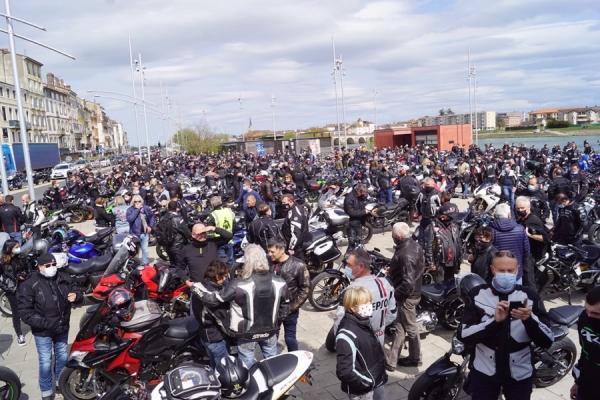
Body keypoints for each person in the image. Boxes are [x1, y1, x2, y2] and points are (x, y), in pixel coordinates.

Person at [457, 251, 553, 400]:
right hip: (485, 371)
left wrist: (529, 319)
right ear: (492, 269)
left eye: (510, 270)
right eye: (501, 270)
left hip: (520, 372)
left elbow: (547, 340)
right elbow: (464, 335)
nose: (506, 274)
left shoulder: (530, 296)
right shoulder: (477, 294)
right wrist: (494, 322)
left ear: (517, 269)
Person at [191, 244, 289, 369]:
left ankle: (249, 386)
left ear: (248, 262)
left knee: (246, 367)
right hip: (270, 331)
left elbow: (213, 300)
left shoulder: (238, 284)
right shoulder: (280, 281)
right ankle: (275, 385)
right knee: (273, 364)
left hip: (247, 334)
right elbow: (286, 306)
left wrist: (195, 287)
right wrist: (277, 322)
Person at [18, 252, 83, 400]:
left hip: (62, 327)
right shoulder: (30, 284)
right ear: (40, 267)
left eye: (54, 265)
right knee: (45, 361)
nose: (52, 268)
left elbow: (77, 291)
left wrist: (76, 296)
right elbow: (24, 311)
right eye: (48, 265)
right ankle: (46, 390)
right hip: (43, 331)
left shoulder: (64, 277)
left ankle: (61, 382)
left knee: (62, 356)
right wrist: (45, 323)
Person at [333, 249, 396, 347]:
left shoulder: (350, 290)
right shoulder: (385, 284)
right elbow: (392, 314)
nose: (346, 267)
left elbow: (340, 321)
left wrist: (341, 342)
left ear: (361, 267)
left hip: (356, 341)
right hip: (378, 338)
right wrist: (379, 327)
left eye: (349, 265)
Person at [336, 286, 388, 400]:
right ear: (352, 308)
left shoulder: (363, 321)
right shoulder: (346, 334)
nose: (369, 305)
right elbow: (345, 371)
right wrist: (367, 383)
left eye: (369, 301)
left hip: (376, 380)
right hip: (363, 390)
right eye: (365, 302)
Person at [385, 222, 424, 371]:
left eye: (393, 235)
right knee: (399, 327)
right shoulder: (413, 245)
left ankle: (415, 358)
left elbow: (408, 282)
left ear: (399, 237)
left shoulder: (406, 254)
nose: (392, 237)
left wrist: (395, 295)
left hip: (407, 297)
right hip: (410, 293)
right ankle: (391, 361)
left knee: (410, 327)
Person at [267, 237, 310, 352]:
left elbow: (305, 289)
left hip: (290, 310)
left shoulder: (298, 265)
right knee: (271, 338)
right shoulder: (268, 262)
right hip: (272, 309)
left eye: (272, 251)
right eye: (268, 251)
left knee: (290, 338)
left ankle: (296, 360)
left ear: (282, 250)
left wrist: (291, 308)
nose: (269, 254)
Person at [191, 260, 230, 370]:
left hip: (204, 335)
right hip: (216, 338)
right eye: (225, 276)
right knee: (224, 369)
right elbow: (223, 321)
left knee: (213, 363)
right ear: (217, 276)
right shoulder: (213, 298)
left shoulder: (201, 287)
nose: (226, 278)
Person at [571, 286, 600, 400]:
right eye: (587, 310)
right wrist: (578, 382)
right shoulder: (584, 318)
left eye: (596, 314)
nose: (589, 316)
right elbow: (585, 352)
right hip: (586, 388)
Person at [490, 203, 530, 284]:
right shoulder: (520, 229)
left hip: (498, 272)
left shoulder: (490, 230)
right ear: (509, 215)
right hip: (515, 272)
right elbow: (527, 251)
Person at [422, 204, 463, 282]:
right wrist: (431, 263)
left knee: (449, 284)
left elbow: (459, 243)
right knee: (439, 285)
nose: (452, 218)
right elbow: (428, 246)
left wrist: (459, 260)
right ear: (442, 216)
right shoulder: (432, 227)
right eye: (450, 216)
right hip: (440, 263)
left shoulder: (454, 226)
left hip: (452, 262)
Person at [0, 239, 28, 346]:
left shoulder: (22, 257)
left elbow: (28, 269)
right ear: (9, 249)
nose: (18, 248)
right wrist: (8, 288)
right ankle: (20, 335)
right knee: (16, 314)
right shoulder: (2, 262)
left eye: (18, 246)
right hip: (12, 290)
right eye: (16, 247)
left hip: (25, 287)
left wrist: (24, 275)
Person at [205, 196, 236, 266]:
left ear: (212, 204)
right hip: (229, 241)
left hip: (218, 243)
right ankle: (231, 275)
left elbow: (209, 231)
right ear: (221, 202)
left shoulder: (212, 215)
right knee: (230, 262)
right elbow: (234, 226)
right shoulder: (229, 211)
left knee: (221, 264)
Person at [126, 195, 156, 265]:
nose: (137, 203)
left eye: (139, 201)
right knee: (135, 250)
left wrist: (150, 226)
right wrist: (136, 210)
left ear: (141, 201)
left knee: (145, 249)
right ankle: (134, 263)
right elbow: (130, 219)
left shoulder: (145, 208)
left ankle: (145, 263)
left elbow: (152, 216)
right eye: (135, 201)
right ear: (133, 202)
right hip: (135, 233)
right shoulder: (130, 209)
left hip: (145, 233)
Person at [162, 201, 192, 270]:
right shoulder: (178, 219)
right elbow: (186, 232)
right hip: (178, 246)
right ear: (176, 208)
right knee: (181, 268)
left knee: (173, 266)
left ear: (168, 208)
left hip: (167, 246)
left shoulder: (163, 217)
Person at [281, 193, 308, 260]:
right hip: (294, 242)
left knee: (297, 263)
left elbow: (296, 233)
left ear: (291, 201)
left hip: (296, 246)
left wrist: (291, 248)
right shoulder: (294, 208)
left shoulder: (295, 212)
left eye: (284, 203)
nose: (283, 205)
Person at [415, 177, 442, 244]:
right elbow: (417, 203)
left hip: (433, 218)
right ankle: (420, 249)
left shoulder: (437, 193)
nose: (427, 186)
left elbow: (440, 206)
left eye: (428, 185)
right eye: (425, 184)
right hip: (423, 217)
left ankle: (431, 250)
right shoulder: (421, 192)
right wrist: (419, 214)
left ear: (433, 185)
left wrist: (437, 216)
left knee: (431, 235)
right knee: (421, 235)